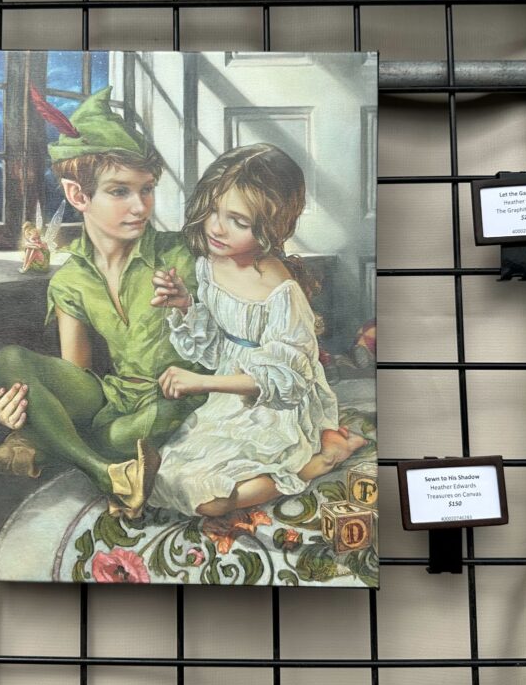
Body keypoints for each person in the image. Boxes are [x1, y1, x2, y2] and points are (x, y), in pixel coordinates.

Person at [0, 86, 206, 519]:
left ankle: (49, 452)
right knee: (8, 361)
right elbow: (78, 378)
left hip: (183, 395)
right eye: (120, 191)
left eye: (147, 189)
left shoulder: (183, 253)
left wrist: (188, 307)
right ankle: (107, 473)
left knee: (119, 436)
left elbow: (229, 339)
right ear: (77, 195)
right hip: (116, 397)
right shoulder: (70, 279)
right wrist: (16, 408)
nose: (140, 206)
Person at [146, 143, 365, 517]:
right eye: (213, 210)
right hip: (229, 399)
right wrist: (185, 305)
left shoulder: (280, 290)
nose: (217, 227)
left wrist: (202, 383)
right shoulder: (210, 264)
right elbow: (218, 348)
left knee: (212, 499)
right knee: (169, 477)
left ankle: (319, 460)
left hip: (279, 407)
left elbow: (288, 382)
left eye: (238, 221)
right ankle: (326, 449)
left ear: (269, 227)